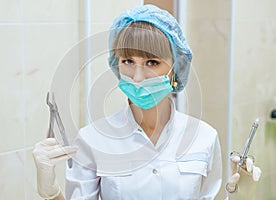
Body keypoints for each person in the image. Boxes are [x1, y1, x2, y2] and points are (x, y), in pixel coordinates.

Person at [32, 5, 259, 200]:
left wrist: (239, 196)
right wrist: (51, 192)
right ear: (116, 63)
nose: (138, 77)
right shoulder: (93, 140)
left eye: (152, 62)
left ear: (176, 68)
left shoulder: (204, 137)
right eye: (128, 61)